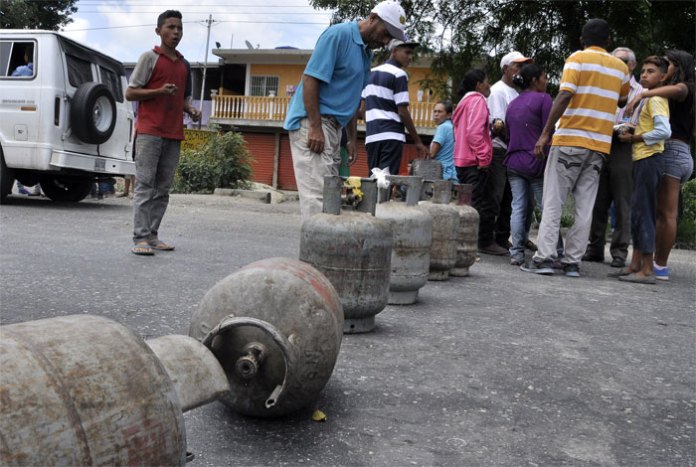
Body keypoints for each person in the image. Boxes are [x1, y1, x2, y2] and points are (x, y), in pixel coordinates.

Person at [521, 18, 631, 277]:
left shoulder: (577, 58)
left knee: (553, 201)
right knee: (585, 205)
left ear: (583, 39)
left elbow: (565, 94)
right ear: (608, 41)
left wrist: (546, 132)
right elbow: (623, 99)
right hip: (599, 146)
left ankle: (545, 258)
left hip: (570, 140)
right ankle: (572, 262)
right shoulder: (621, 67)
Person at [283, 0, 407, 220]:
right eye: (386, 33)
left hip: (335, 127)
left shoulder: (366, 54)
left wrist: (351, 138)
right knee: (318, 198)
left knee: (331, 197)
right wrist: (315, 127)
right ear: (373, 18)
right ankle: (316, 252)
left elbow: (352, 99)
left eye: (391, 37)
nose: (387, 41)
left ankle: (324, 250)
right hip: (313, 122)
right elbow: (311, 79)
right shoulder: (337, 35)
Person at [125, 10, 201, 256]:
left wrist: (191, 110)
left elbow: (181, 100)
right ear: (158, 31)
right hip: (149, 132)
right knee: (145, 186)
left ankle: (153, 235)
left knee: (163, 189)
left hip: (173, 133)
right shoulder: (149, 58)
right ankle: (140, 238)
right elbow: (131, 93)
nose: (176, 32)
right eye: (170, 27)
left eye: (179, 28)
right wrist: (158, 91)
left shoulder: (184, 65)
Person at [624, 50, 695, 281]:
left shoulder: (685, 87)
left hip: (672, 151)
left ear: (678, 66)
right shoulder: (666, 96)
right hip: (680, 152)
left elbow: (675, 93)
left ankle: (658, 266)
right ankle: (648, 264)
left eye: (669, 64)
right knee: (660, 212)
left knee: (665, 214)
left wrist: (641, 95)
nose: (667, 67)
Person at [611, 56, 671, 284]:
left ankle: (646, 269)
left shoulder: (655, 99)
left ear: (663, 77)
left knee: (643, 211)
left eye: (651, 71)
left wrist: (634, 137)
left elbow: (663, 131)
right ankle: (635, 264)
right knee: (637, 211)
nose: (645, 75)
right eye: (643, 71)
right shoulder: (650, 98)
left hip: (650, 158)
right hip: (642, 158)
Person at [583, 47, 643, 268]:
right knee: (597, 201)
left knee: (622, 202)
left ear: (632, 65)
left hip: (624, 146)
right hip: (600, 143)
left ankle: (619, 252)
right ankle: (595, 248)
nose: (618, 64)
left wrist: (628, 129)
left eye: (623, 61)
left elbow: (643, 124)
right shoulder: (604, 86)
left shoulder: (640, 91)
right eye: (614, 60)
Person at [483, 51, 533, 256]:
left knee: (508, 198)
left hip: (511, 149)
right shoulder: (498, 91)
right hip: (499, 149)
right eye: (517, 66)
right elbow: (498, 124)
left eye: (523, 67)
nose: (521, 71)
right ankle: (486, 239)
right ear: (505, 68)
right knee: (494, 195)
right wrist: (515, 143)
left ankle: (501, 238)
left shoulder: (517, 92)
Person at [504, 63, 555, 266]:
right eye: (544, 76)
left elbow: (508, 133)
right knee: (547, 207)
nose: (546, 80)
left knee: (518, 206)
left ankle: (516, 253)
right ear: (535, 80)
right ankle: (554, 250)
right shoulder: (544, 99)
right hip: (536, 161)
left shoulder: (513, 103)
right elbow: (548, 130)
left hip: (514, 161)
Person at [361, 37, 428, 177]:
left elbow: (362, 109)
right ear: (394, 51)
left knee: (373, 180)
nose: (410, 57)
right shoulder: (399, 74)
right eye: (407, 52)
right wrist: (417, 141)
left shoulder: (370, 73)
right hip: (391, 135)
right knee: (386, 181)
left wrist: (375, 126)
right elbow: (403, 111)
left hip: (372, 137)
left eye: (412, 54)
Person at [452, 69, 492, 234]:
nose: (489, 85)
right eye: (487, 81)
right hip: (473, 162)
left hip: (461, 160)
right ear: (478, 85)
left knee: (464, 203)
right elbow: (474, 133)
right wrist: (483, 157)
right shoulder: (478, 101)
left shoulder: (463, 102)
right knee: (474, 206)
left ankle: (460, 241)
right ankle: (467, 244)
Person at [11, 45, 42, 197]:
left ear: (26, 56)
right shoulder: (44, 73)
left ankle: (19, 185)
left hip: (18, 112)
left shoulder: (21, 71)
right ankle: (36, 187)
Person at [429, 100, 458, 182]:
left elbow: (432, 153)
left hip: (441, 173)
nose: (436, 114)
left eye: (440, 112)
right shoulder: (451, 127)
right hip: (451, 172)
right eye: (435, 111)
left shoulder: (443, 127)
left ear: (449, 115)